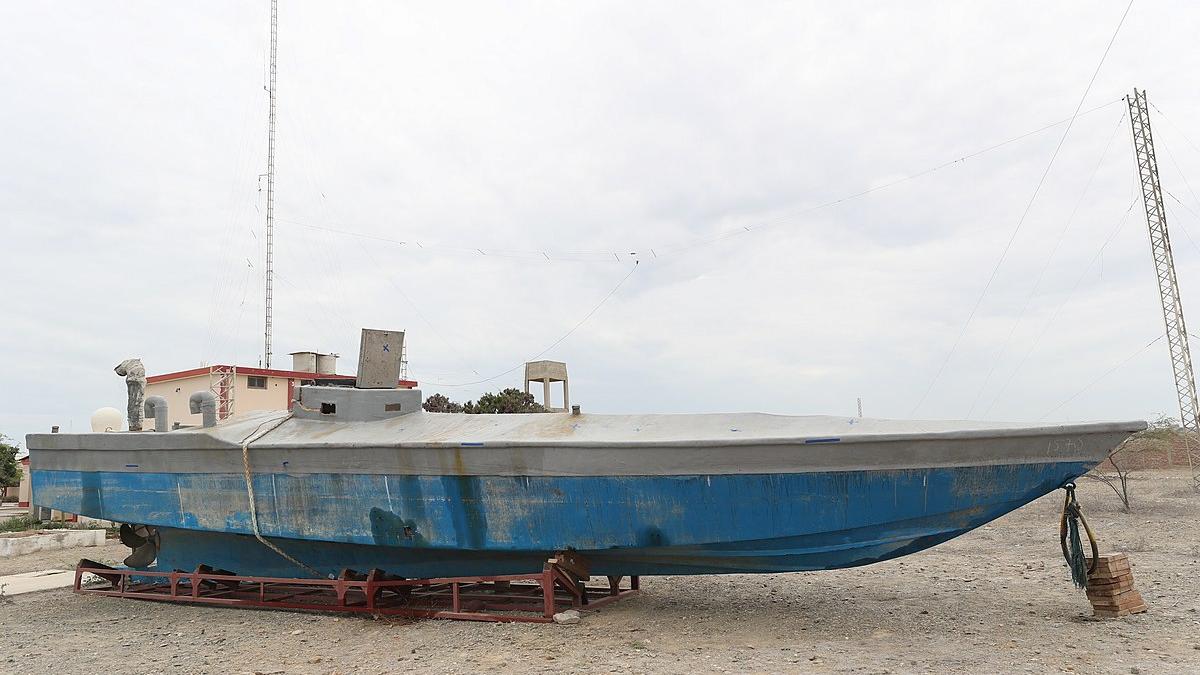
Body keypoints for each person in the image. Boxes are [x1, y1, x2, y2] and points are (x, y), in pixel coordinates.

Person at [114, 358, 146, 431]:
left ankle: (135, 425)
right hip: (137, 379)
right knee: (137, 401)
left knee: (135, 401)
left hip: (134, 379)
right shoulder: (133, 364)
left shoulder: (127, 365)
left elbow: (120, 371)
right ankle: (135, 424)